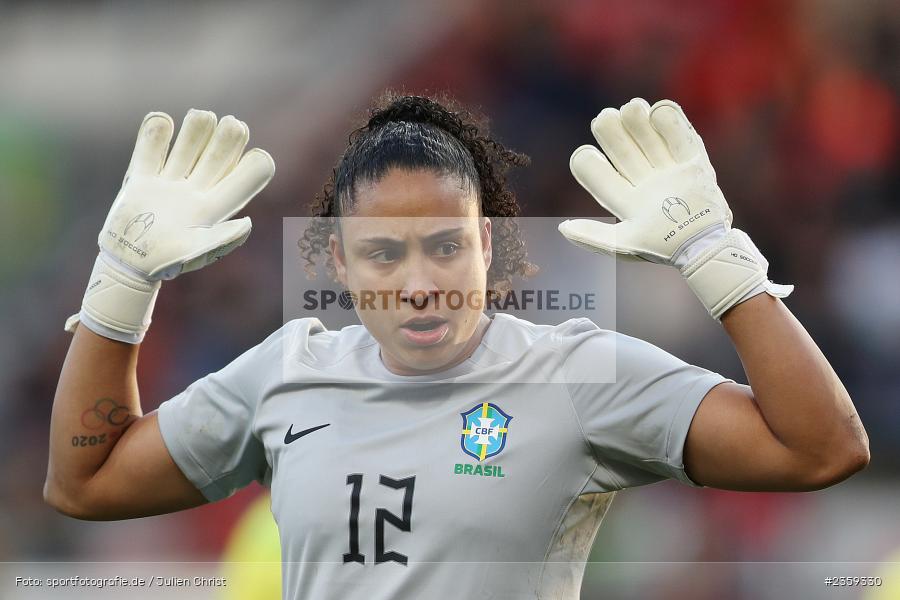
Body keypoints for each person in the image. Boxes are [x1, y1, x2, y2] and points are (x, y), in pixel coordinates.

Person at [45, 93, 870, 599]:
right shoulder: (286, 372)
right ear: (337, 260)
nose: (417, 283)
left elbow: (821, 448)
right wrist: (120, 281)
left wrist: (713, 255)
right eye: (381, 253)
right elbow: (84, 482)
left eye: (444, 247)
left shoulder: (577, 374)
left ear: (488, 246)